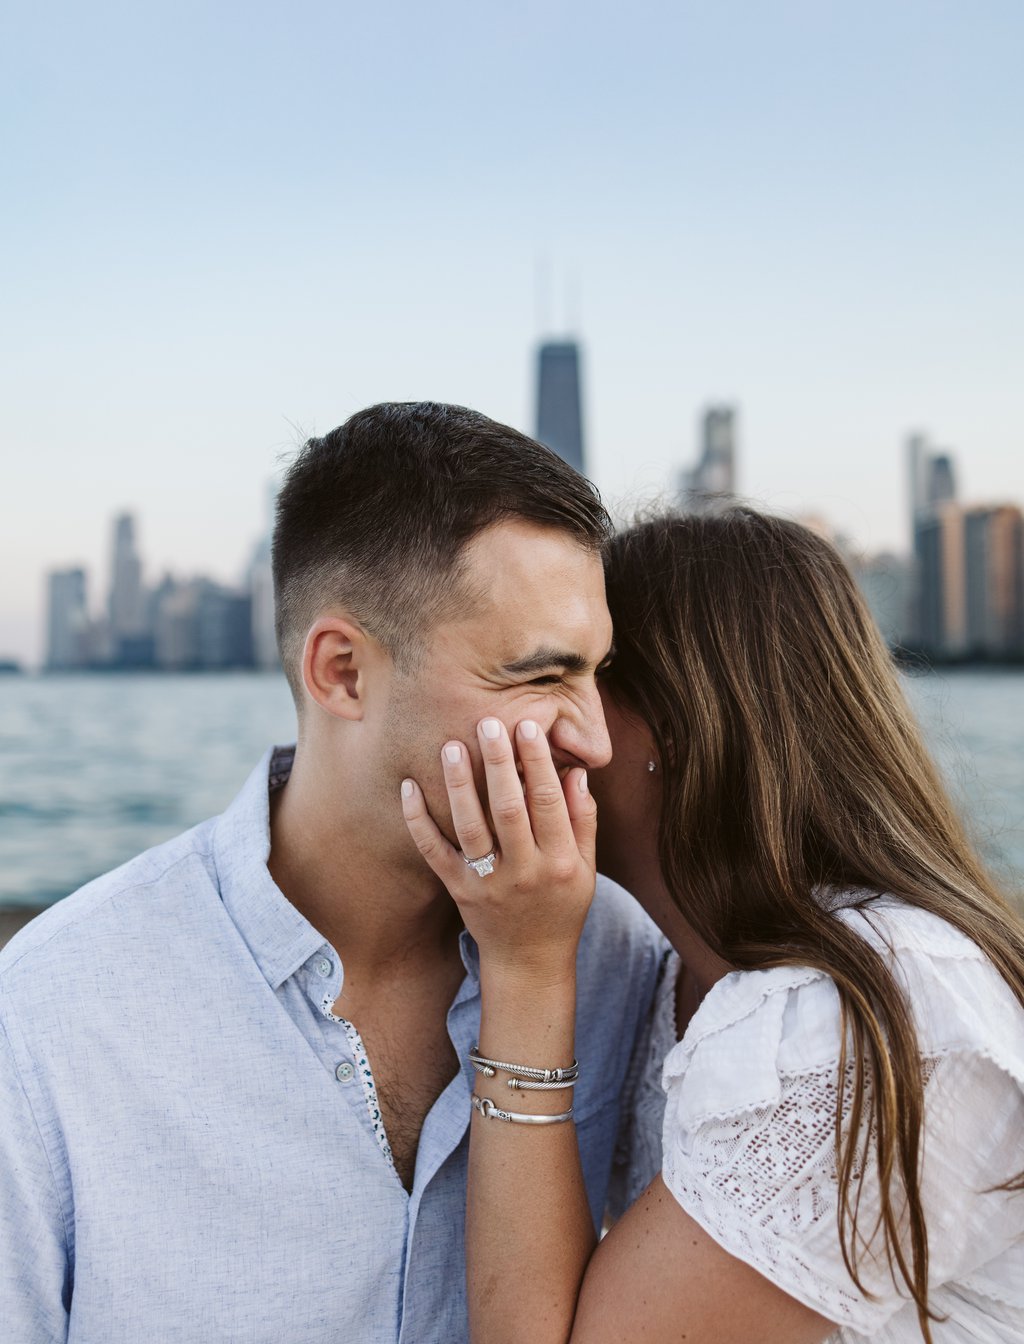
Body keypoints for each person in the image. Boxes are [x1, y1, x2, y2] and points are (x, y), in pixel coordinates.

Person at [0, 403, 666, 1344]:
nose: (592, 739)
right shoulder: (52, 1015)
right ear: (343, 673)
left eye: (597, 674)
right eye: (538, 676)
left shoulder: (621, 960)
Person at [403, 506, 1024, 1344]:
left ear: (684, 718)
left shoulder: (861, 1019)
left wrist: (526, 965)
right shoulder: (687, 970)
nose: (556, 726)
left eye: (583, 675)